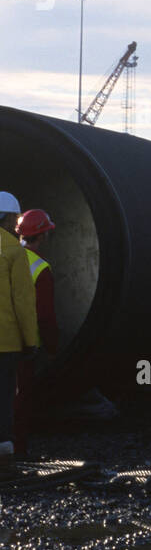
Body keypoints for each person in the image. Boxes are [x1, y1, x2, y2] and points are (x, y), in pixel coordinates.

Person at [13, 210, 59, 456]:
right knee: (20, 400)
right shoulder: (40, 268)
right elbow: (45, 316)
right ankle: (17, 454)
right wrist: (52, 347)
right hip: (24, 344)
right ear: (41, 237)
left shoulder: (5, 256)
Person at [0, 192, 38, 465]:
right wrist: (31, 341)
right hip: (6, 341)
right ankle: (4, 448)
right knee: (4, 395)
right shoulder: (14, 251)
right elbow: (23, 301)